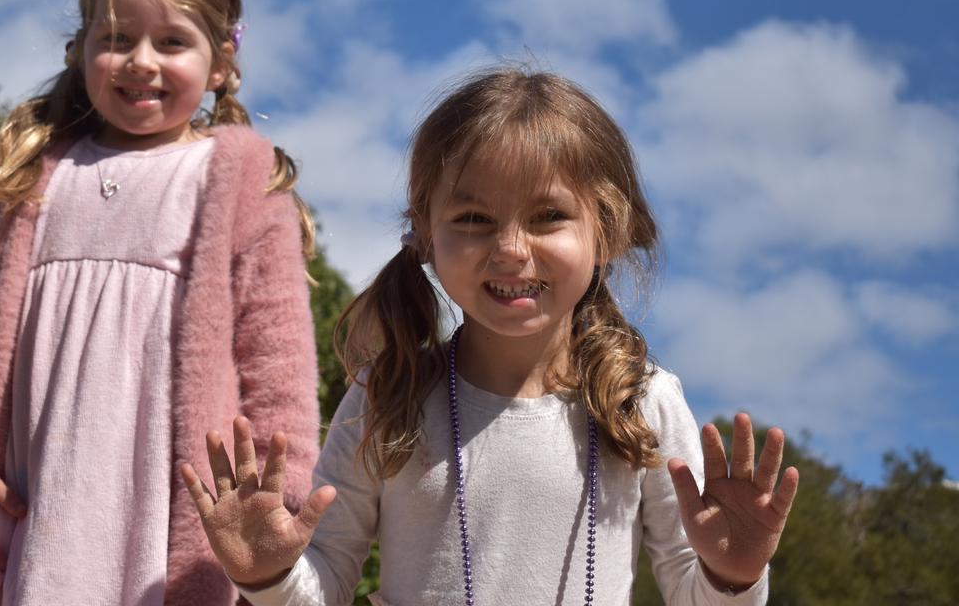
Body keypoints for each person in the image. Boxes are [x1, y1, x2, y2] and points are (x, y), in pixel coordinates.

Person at [181, 68, 800, 604]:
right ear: (425, 235)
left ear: (606, 230)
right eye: (473, 219)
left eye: (547, 217)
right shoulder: (389, 393)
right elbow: (325, 583)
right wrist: (268, 574)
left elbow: (693, 593)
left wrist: (733, 573)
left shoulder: (642, 403)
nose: (509, 249)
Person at [0, 0, 320, 606]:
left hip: (168, 537)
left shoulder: (241, 186)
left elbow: (278, 368)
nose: (141, 61)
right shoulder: (23, 186)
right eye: (116, 38)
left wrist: (274, 499)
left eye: (171, 42)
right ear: (81, 52)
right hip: (36, 520)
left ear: (219, 64)